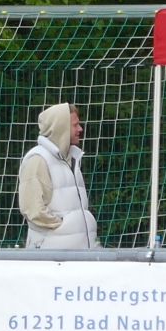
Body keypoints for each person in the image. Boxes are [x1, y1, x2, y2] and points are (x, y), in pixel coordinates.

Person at [19, 102, 100, 249]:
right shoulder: (38, 160)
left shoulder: (71, 159)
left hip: (77, 255)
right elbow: (32, 209)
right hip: (52, 260)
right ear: (60, 128)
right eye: (75, 125)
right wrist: (63, 227)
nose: (80, 129)